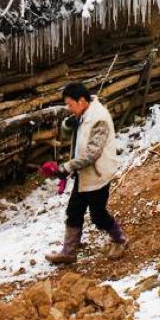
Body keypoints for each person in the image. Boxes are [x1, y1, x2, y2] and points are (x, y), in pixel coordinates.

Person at [45, 82, 127, 264]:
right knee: (73, 211)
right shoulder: (83, 114)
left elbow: (92, 154)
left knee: (98, 215)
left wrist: (67, 167)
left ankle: (119, 239)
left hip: (97, 176)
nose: (68, 108)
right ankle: (68, 251)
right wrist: (68, 124)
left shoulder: (99, 119)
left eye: (70, 105)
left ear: (81, 101)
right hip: (83, 175)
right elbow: (70, 134)